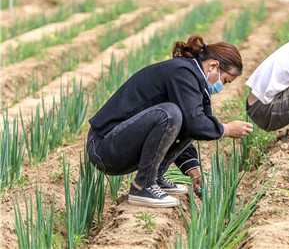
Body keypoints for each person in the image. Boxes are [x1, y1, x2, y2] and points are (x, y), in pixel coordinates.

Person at [86, 35, 253, 208]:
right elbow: (195, 123)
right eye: (225, 81)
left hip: (118, 142)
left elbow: (194, 123)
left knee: (186, 114)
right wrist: (226, 129)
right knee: (170, 113)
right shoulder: (183, 73)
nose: (222, 86)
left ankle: (155, 177)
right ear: (213, 65)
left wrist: (191, 167)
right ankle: (143, 186)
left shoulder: (193, 78)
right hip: (103, 147)